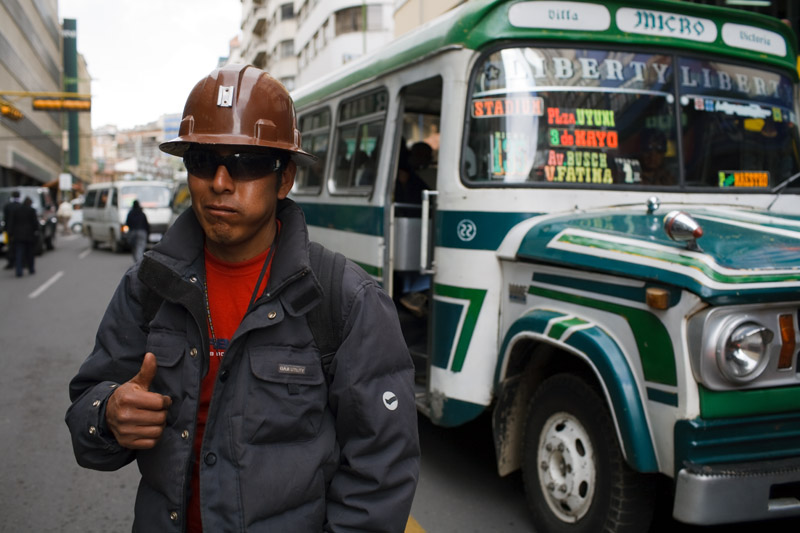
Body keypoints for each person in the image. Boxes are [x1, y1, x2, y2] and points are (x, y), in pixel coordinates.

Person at [65, 64, 419, 533]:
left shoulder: (346, 301)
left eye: (247, 162)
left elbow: (382, 470)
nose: (221, 182)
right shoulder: (147, 286)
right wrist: (108, 414)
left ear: (285, 178)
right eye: (203, 160)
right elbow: (87, 413)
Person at [8, 196, 38, 277]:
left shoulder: (16, 210)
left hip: (18, 235)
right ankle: (31, 269)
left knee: (19, 254)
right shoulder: (31, 210)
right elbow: (35, 223)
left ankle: (19, 271)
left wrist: (10, 234)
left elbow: (11, 223)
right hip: (29, 235)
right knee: (30, 254)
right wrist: (36, 231)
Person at [3, 190, 21, 269]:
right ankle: (19, 262)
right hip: (19, 231)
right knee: (19, 247)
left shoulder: (8, 206)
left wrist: (5, 230)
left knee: (9, 246)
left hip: (8, 231)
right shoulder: (20, 206)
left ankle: (11, 262)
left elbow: (5, 219)